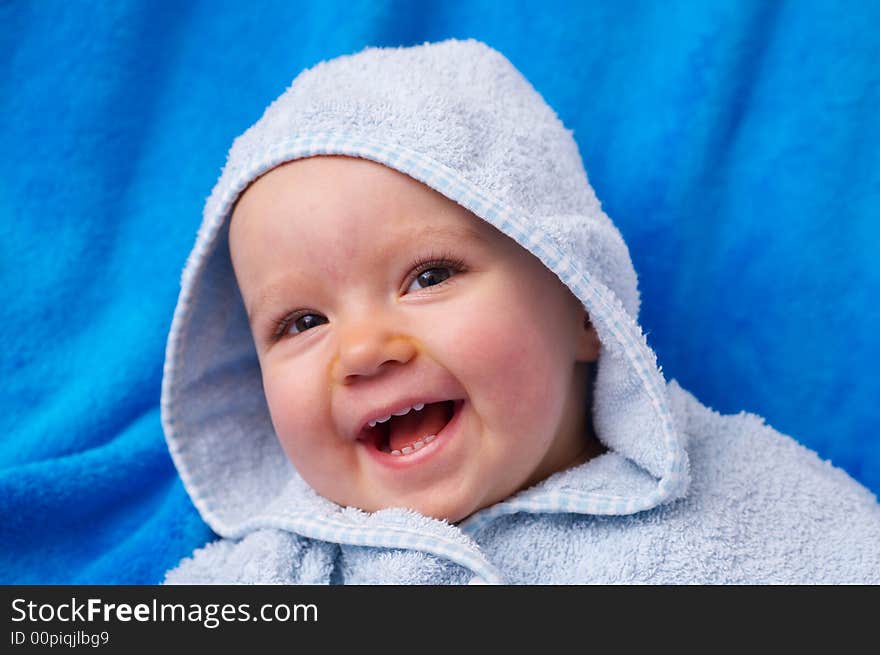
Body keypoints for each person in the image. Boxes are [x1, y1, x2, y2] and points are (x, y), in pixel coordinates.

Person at [161, 38, 880, 584]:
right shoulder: (281, 566)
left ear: (580, 302)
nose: (362, 350)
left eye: (429, 275)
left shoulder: (747, 506)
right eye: (301, 322)